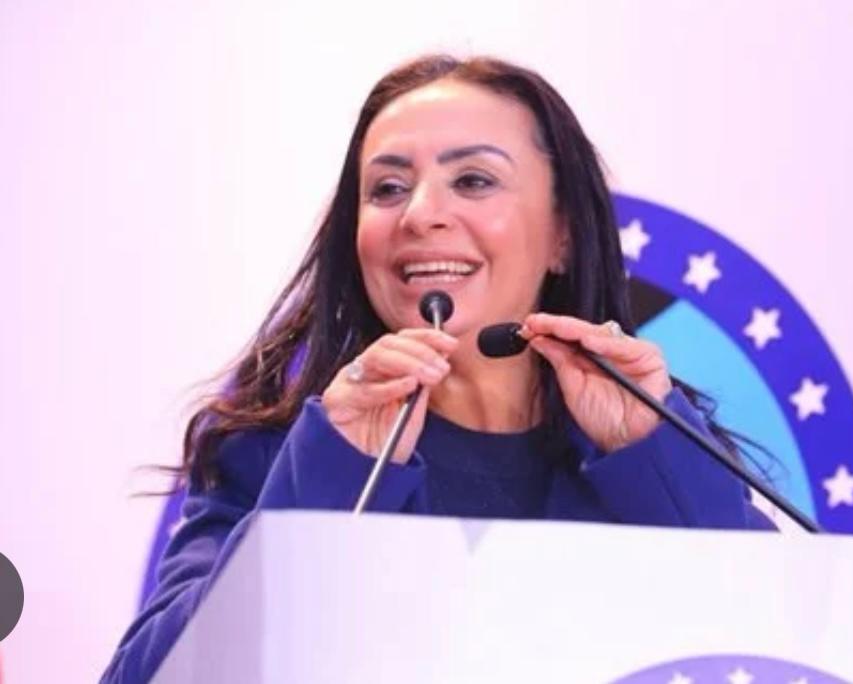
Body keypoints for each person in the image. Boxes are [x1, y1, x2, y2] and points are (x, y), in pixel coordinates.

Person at [101, 54, 774, 683]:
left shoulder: (647, 445)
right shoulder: (276, 454)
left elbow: (786, 639)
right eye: (388, 188)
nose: (421, 215)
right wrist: (330, 476)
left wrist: (655, 460)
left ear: (563, 234)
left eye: (474, 181)